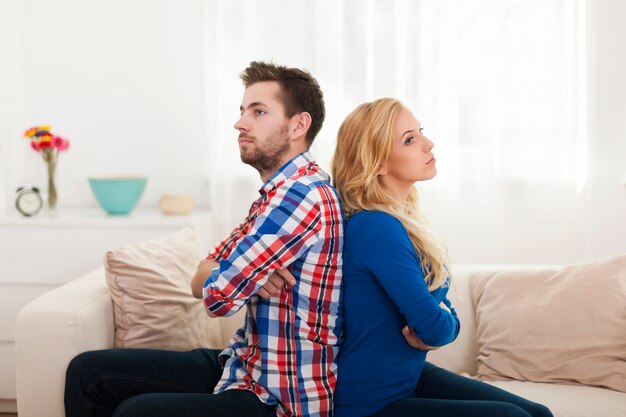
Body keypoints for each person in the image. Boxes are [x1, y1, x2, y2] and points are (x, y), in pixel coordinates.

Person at [64, 61, 344, 417]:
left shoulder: (299, 196)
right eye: (243, 111)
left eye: (258, 112)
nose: (240, 123)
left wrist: (234, 276)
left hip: (278, 395)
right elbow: (203, 276)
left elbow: (217, 298)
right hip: (242, 365)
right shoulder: (276, 193)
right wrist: (244, 276)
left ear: (298, 125)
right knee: (88, 372)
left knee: (137, 412)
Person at [330, 98, 553, 417]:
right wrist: (441, 320)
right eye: (410, 139)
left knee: (539, 413)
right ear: (378, 163)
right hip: (370, 403)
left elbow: (436, 320)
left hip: (408, 376)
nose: (428, 143)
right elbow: (434, 328)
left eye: (420, 132)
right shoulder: (375, 227)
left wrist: (440, 319)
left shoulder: (402, 218)